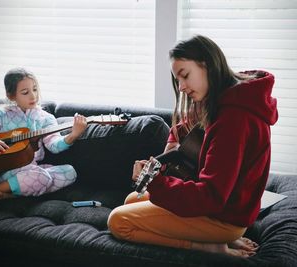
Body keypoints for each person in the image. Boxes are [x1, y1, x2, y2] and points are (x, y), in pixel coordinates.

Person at [107, 35, 278, 257]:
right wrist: (166, 157)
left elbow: (210, 196)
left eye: (185, 76)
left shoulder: (233, 120)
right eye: (177, 79)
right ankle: (218, 238)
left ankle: (210, 245)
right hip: (226, 210)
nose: (181, 87)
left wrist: (158, 184)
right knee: (132, 199)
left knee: (118, 221)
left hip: (223, 218)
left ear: (206, 65)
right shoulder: (232, 100)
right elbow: (186, 127)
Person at [0, 67, 88, 206]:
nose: (33, 96)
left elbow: (54, 145)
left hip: (32, 170)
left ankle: (10, 195)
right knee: (42, 178)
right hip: (7, 171)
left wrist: (73, 135)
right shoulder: (2, 115)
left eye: (35, 90)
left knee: (70, 172)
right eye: (25, 92)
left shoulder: (46, 118)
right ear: (12, 96)